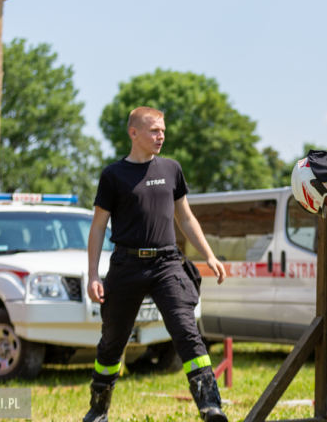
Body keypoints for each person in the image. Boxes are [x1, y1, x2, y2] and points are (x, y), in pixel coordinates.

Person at [84, 107, 228, 422]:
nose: (160, 135)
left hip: (167, 263)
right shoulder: (113, 175)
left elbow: (186, 218)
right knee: (112, 341)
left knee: (187, 331)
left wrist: (210, 255)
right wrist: (93, 275)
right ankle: (98, 408)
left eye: (163, 130)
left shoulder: (172, 169)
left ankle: (210, 406)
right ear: (133, 133)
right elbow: (97, 227)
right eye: (154, 130)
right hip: (126, 264)